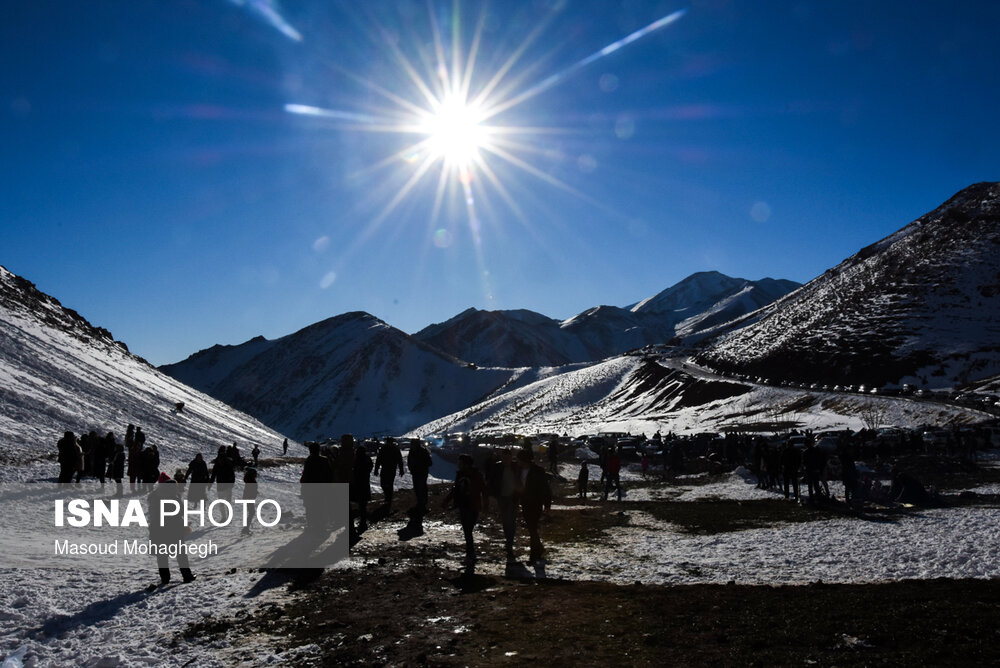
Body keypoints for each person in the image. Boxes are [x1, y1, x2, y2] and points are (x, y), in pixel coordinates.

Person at [147, 473, 195, 586]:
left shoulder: (154, 496)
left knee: (162, 555)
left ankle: (165, 578)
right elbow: (181, 512)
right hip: (174, 528)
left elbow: (152, 513)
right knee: (181, 554)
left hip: (158, 529)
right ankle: (187, 576)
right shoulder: (174, 497)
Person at [443, 454, 487, 565]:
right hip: (465, 506)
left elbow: (483, 490)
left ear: (466, 464)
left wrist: (447, 501)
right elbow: (456, 490)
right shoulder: (468, 474)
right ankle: (470, 553)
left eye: (460, 463)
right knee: (468, 531)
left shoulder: (474, 475)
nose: (458, 465)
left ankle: (470, 554)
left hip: (471, 505)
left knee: (468, 531)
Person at [517, 448, 552, 564]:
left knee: (532, 528)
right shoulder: (519, 470)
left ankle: (534, 556)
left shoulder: (538, 471)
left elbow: (545, 489)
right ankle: (539, 549)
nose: (518, 462)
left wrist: (547, 504)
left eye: (519, 460)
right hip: (525, 503)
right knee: (532, 528)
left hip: (536, 503)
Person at [486, 449, 521, 562]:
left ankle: (509, 542)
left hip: (513, 498)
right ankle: (509, 541)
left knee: (511, 520)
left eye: (507, 458)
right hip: (502, 497)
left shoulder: (516, 467)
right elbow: (492, 481)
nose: (505, 460)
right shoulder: (497, 468)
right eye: (504, 458)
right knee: (506, 520)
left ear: (511, 457)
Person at [300, 442, 333, 530]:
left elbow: (305, 476)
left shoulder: (309, 460)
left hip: (310, 488)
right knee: (321, 506)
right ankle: (322, 524)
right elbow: (329, 475)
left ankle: (312, 525)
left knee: (310, 507)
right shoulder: (324, 460)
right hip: (322, 488)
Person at [373, 437, 404, 512]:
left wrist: (376, 469)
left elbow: (378, 460)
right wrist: (401, 469)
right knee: (386, 484)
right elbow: (399, 460)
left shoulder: (388, 449)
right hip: (388, 469)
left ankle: (388, 499)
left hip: (388, 469)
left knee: (386, 484)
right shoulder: (391, 449)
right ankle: (388, 498)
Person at [352, 443, 374, 534]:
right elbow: (370, 467)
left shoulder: (356, 459)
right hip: (365, 483)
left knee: (360, 504)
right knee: (363, 505)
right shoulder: (367, 459)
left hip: (357, 484)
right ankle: (363, 522)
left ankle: (361, 522)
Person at [407, 438, 433, 515]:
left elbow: (429, 462)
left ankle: (422, 504)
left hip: (421, 473)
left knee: (421, 488)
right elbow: (409, 461)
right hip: (416, 473)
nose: (412, 445)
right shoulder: (413, 451)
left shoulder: (422, 451)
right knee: (418, 488)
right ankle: (420, 503)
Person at [241, 467, 258, 535]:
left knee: (251, 513)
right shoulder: (252, 481)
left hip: (247, 498)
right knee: (251, 513)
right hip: (249, 498)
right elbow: (251, 490)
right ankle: (245, 528)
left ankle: (246, 528)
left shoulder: (249, 480)